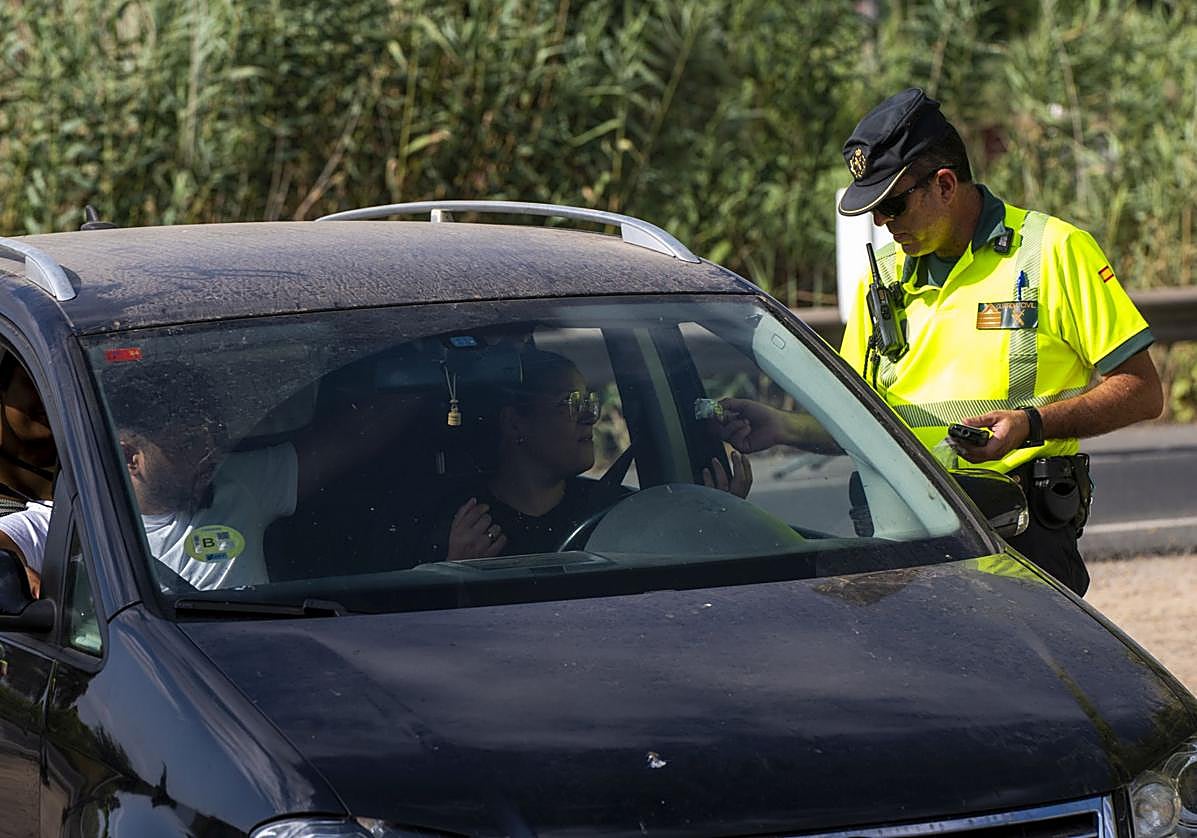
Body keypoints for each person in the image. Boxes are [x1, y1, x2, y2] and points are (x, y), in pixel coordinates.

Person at [729, 88, 1162, 597]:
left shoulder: (1054, 252)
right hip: (898, 538)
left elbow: (1142, 390)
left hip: (1017, 538)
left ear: (945, 184)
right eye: (873, 210)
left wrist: (1030, 425)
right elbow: (866, 425)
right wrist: (783, 426)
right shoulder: (882, 278)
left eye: (892, 204)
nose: (882, 223)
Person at [432, 350, 752, 561]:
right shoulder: (463, 527)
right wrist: (455, 570)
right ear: (515, 422)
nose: (590, 417)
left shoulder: (622, 511)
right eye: (572, 404)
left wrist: (718, 525)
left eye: (590, 403)